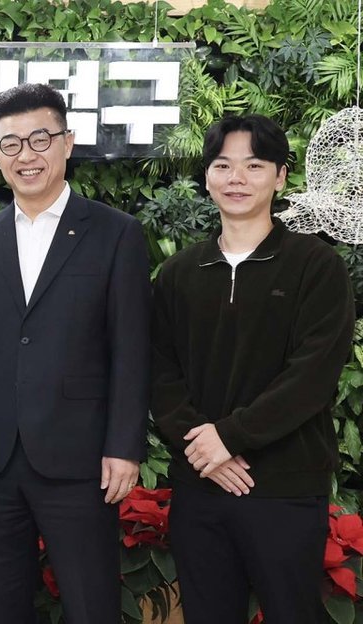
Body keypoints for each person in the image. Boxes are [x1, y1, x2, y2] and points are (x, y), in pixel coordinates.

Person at [0, 83, 151, 623]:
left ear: (67, 142)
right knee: (2, 603)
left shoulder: (116, 233)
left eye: (40, 139)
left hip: (82, 457)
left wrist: (124, 446)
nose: (26, 155)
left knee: (90, 602)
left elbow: (131, 349)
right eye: (10, 144)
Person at [152, 114, 353, 624]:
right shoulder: (178, 273)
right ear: (207, 177)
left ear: (280, 176)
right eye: (223, 165)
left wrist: (231, 437)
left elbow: (312, 375)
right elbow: (160, 372)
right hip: (201, 488)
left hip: (285, 488)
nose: (236, 178)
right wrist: (205, 451)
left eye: (254, 165)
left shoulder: (315, 265)